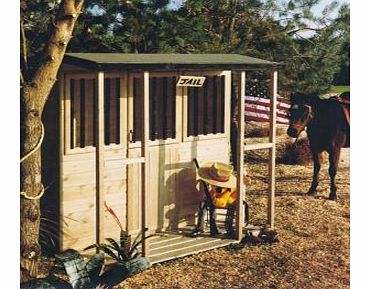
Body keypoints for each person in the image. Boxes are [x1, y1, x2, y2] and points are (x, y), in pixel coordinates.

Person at [190, 162, 249, 238]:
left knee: (230, 206)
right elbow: (213, 193)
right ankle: (200, 226)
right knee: (203, 204)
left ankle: (229, 228)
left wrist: (215, 199)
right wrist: (211, 196)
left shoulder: (231, 188)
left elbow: (222, 202)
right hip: (216, 200)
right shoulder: (215, 183)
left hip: (228, 201)